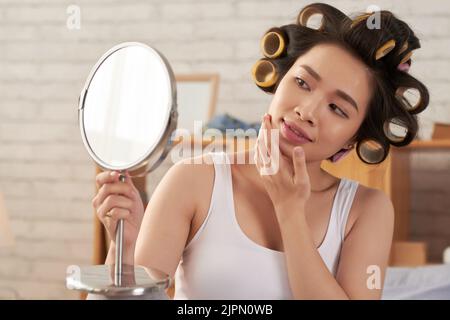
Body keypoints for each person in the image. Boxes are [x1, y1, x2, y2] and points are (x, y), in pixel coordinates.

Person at [91, 3, 429, 299]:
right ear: (279, 80)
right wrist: (125, 254)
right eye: (302, 83)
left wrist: (289, 212)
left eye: (337, 109)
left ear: (352, 140)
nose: (307, 111)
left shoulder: (366, 210)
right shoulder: (194, 179)